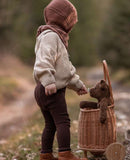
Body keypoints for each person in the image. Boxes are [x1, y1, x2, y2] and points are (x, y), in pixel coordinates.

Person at [33, 0, 88, 160]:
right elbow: (44, 60)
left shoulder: (58, 38)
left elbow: (65, 70)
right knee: (63, 121)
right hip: (49, 88)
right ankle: (64, 153)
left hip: (45, 88)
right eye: (71, 20)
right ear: (63, 20)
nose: (72, 24)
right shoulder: (50, 36)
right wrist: (48, 80)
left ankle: (46, 154)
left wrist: (78, 85)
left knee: (50, 124)